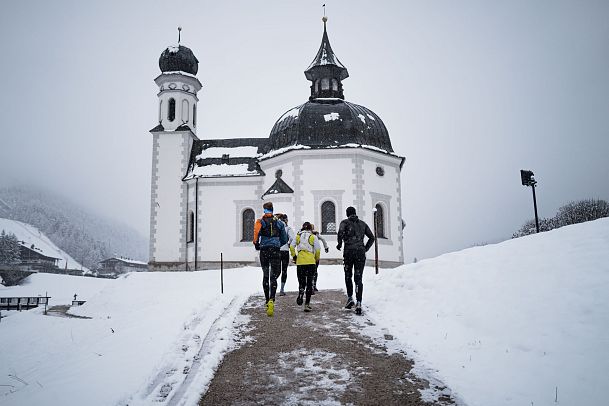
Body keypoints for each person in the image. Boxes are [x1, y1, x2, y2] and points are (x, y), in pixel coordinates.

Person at [336, 206, 374, 315]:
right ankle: (359, 302)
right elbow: (372, 237)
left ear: (347, 214)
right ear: (355, 213)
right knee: (358, 277)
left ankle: (350, 298)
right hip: (360, 253)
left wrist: (339, 244)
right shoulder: (363, 224)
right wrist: (365, 248)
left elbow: (340, 233)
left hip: (348, 252)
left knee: (348, 275)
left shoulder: (345, 222)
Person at [253, 202, 288, 317]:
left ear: (264, 210)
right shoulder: (279, 223)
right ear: (272, 210)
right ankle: (272, 299)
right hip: (275, 250)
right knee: (274, 276)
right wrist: (277, 243)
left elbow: (256, 232)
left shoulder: (260, 221)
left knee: (265, 275)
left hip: (264, 251)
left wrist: (256, 243)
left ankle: (267, 300)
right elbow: (284, 238)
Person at [290, 222, 321, 312]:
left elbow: (292, 247)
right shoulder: (313, 237)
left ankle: (301, 291)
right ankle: (307, 304)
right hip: (310, 262)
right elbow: (318, 250)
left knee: (301, 281)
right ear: (310, 229)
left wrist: (295, 256)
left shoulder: (298, 237)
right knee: (309, 283)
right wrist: (316, 259)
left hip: (300, 262)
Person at [277, 213, 295, 296]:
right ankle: (282, 289)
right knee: (284, 270)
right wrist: (288, 244)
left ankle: (272, 287)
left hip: (276, 250)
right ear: (286, 220)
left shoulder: (276, 228)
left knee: (275, 270)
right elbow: (292, 238)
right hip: (285, 251)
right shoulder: (287, 228)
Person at [310, 224, 329, 293]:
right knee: (314, 271)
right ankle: (313, 285)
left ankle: (311, 285)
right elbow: (323, 239)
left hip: (310, 256)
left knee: (310, 272)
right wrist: (326, 247)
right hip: (315, 255)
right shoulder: (315, 234)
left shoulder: (307, 234)